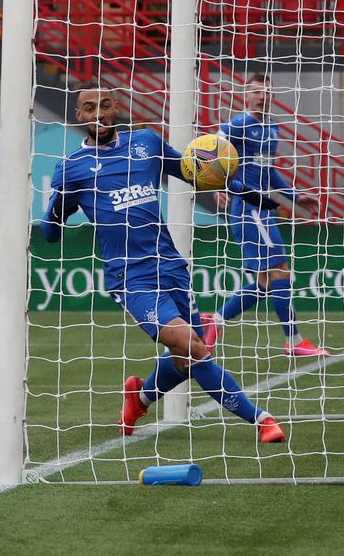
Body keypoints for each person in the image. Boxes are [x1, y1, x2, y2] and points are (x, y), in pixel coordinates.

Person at [40, 82, 286, 444]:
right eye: (89, 108)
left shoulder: (147, 144)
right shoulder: (71, 168)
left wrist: (259, 198)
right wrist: (59, 209)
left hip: (171, 266)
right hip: (130, 277)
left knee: (186, 359)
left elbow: (198, 170)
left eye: (104, 104)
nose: (98, 113)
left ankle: (139, 398)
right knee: (193, 346)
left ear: (116, 107)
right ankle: (261, 420)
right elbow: (50, 233)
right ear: (79, 116)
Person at [208, 74, 328, 356]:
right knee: (280, 272)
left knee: (264, 284)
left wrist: (297, 197)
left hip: (262, 210)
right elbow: (208, 148)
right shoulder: (238, 125)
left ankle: (215, 320)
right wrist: (216, 184)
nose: (263, 96)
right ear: (246, 96)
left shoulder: (272, 127)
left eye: (267, 92)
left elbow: (268, 172)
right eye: (257, 92)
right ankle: (295, 342)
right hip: (249, 210)